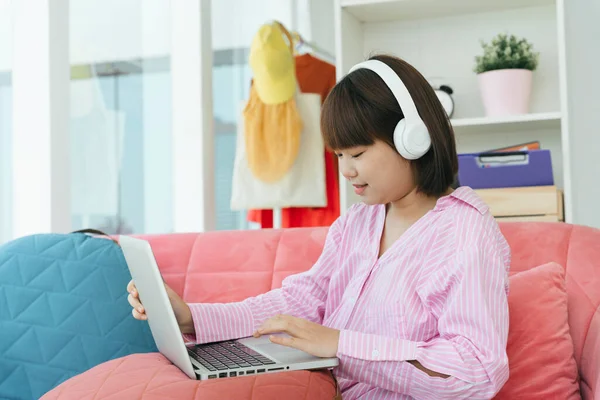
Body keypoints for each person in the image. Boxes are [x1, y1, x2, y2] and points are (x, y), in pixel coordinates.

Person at [127, 54, 511, 400]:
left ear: (413, 138)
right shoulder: (357, 223)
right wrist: (193, 317)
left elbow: (476, 371)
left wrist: (340, 345)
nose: (346, 171)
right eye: (339, 155)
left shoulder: (464, 233)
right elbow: (302, 301)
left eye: (358, 153)